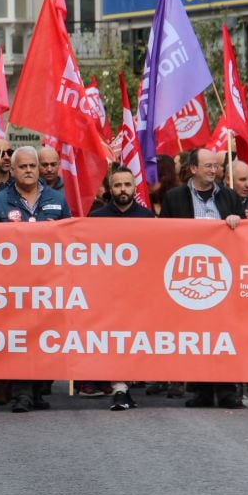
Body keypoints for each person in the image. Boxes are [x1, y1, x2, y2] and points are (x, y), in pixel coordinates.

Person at [0, 146, 70, 413]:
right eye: (23, 166)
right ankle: (22, 393)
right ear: (13, 169)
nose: (29, 170)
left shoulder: (57, 198)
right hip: (12, 286)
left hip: (47, 284)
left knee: (44, 338)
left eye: (33, 166)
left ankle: (39, 389)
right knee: (20, 339)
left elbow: (70, 238)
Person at [160, 148, 244, 409]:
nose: (213, 170)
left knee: (225, 335)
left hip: (222, 278)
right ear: (193, 169)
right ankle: (202, 390)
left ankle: (228, 390)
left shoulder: (229, 197)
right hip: (189, 279)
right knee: (198, 337)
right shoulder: (174, 198)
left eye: (216, 166)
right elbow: (161, 233)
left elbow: (247, 234)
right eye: (207, 166)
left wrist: (237, 221)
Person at [87, 166, 154, 410]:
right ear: (109, 189)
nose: (122, 189)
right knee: (115, 338)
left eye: (127, 184)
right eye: (117, 185)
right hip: (108, 292)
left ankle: (126, 382)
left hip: (139, 291)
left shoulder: (148, 218)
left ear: (134, 187)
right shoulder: (96, 218)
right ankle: (119, 387)